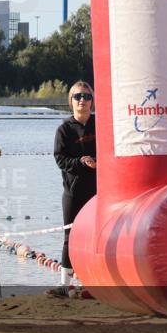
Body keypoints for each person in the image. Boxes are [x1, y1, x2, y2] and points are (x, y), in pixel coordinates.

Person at [50, 80, 97, 298]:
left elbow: (110, 150)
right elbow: (60, 159)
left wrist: (97, 161)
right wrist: (80, 162)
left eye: (86, 96)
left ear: (92, 101)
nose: (82, 101)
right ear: (71, 101)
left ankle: (91, 283)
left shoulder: (100, 125)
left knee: (94, 237)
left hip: (97, 192)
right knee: (70, 237)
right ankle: (65, 284)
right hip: (73, 192)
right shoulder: (64, 129)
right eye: (78, 96)